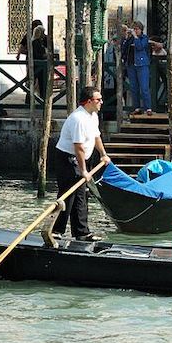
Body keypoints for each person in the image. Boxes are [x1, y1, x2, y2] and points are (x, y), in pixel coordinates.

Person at [51, 85, 109, 243]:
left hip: (79, 158)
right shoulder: (78, 119)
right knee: (68, 195)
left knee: (81, 195)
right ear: (89, 101)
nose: (101, 102)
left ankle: (81, 232)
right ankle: (56, 230)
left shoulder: (93, 115)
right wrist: (83, 170)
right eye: (99, 100)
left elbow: (96, 137)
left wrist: (103, 154)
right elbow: (79, 148)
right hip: (68, 159)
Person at [123, 20, 158, 115]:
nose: (135, 31)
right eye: (134, 29)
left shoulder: (144, 38)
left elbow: (140, 47)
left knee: (144, 87)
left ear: (141, 30)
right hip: (131, 65)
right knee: (134, 88)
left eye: (137, 29)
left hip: (142, 65)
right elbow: (124, 48)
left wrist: (135, 37)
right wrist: (127, 37)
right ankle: (137, 107)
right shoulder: (131, 39)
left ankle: (148, 108)